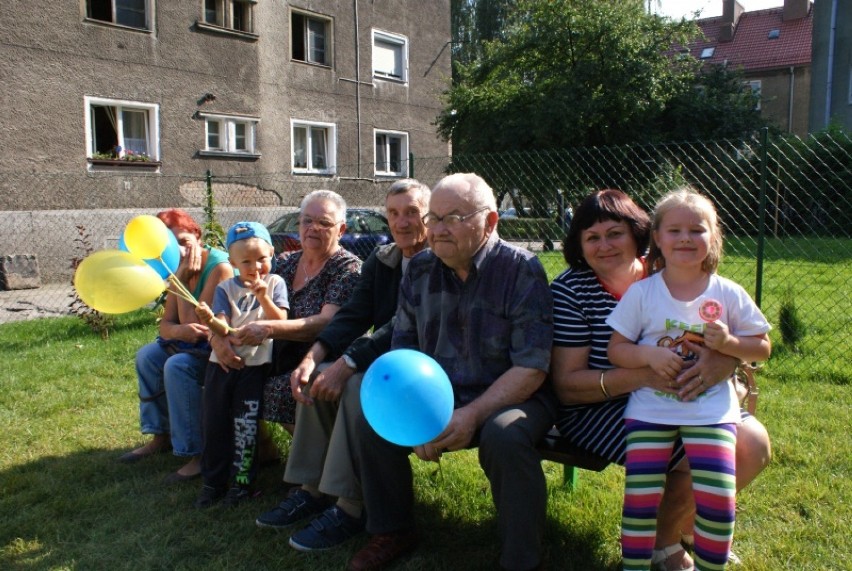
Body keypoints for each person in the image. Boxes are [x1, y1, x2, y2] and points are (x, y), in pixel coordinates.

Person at [550, 189, 773, 571]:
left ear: (639, 234)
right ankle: (663, 545)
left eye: (615, 233)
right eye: (592, 237)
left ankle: (682, 529)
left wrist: (724, 359)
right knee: (688, 455)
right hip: (597, 404)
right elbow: (568, 385)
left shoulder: (671, 269)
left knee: (752, 443)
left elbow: (744, 340)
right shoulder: (572, 291)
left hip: (688, 398)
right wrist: (646, 374)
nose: (605, 245)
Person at [346, 173, 555, 571]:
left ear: (490, 222)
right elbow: (404, 349)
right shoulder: (421, 270)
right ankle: (393, 530)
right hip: (441, 394)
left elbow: (531, 367)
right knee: (371, 423)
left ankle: (521, 560)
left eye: (453, 218)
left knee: (504, 435)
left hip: (513, 393)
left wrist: (472, 414)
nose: (437, 230)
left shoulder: (520, 270)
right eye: (434, 218)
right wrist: (415, 420)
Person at [253, 179, 431, 551]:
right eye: (393, 213)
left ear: (429, 217)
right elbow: (351, 316)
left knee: (351, 385)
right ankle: (313, 488)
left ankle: (351, 506)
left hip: (422, 368)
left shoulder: (437, 262)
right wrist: (313, 357)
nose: (401, 223)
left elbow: (401, 325)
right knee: (319, 375)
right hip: (384, 361)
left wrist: (348, 362)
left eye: (412, 212)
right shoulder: (383, 261)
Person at [209, 190, 361, 437]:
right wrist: (217, 338)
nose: (313, 228)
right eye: (307, 220)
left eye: (324, 223)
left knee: (272, 387)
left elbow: (326, 323)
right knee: (210, 368)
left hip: (324, 355)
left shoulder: (348, 268)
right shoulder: (287, 261)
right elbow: (236, 295)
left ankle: (316, 461)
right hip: (275, 353)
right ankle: (246, 451)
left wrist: (268, 328)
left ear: (341, 230)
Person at [119, 208, 233, 484]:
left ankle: (198, 453)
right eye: (171, 245)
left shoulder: (218, 267)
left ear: (198, 236)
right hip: (192, 344)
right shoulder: (174, 267)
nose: (179, 252)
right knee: (147, 356)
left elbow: (197, 324)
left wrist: (180, 282)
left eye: (184, 242)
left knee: (177, 366)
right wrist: (180, 328)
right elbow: (167, 326)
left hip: (222, 348)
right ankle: (162, 435)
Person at [193, 222, 289, 508]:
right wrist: (209, 319)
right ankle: (213, 482)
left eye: (261, 258)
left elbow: (280, 321)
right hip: (220, 366)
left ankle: (242, 483)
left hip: (254, 367)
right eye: (245, 261)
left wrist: (262, 296)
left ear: (271, 252)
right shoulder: (225, 288)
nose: (255, 267)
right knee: (214, 423)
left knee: (245, 425)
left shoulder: (275, 284)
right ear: (232, 262)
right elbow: (222, 327)